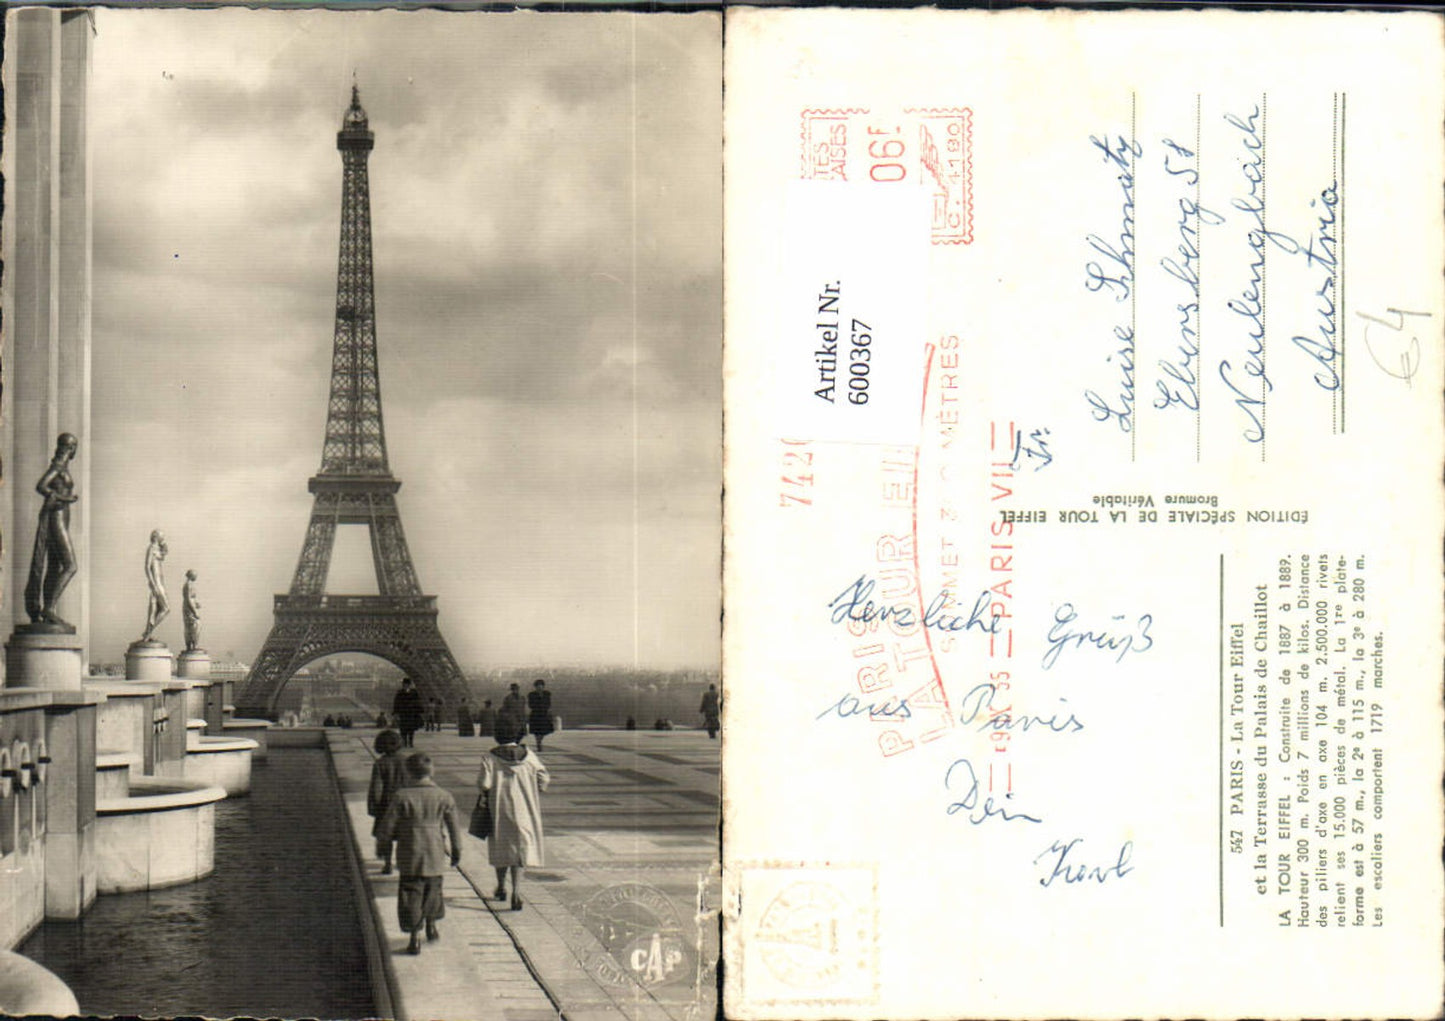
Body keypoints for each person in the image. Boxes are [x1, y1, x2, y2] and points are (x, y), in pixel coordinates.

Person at [376, 752, 462, 955]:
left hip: (410, 850)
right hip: (435, 850)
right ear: (431, 772)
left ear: (408, 773)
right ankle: (431, 925)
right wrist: (457, 850)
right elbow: (454, 828)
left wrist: (383, 844)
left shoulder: (401, 796)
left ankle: (414, 937)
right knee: (433, 888)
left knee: (410, 892)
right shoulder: (444, 796)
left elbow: (387, 827)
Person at [477, 718, 549, 911]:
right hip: (525, 809)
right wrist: (536, 787)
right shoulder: (529, 755)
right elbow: (543, 777)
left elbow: (484, 783)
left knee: (501, 847)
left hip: (499, 808)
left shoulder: (490, 757)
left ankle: (501, 887)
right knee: (520, 851)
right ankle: (517, 891)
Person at [25, 432, 80, 629]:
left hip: (61, 519)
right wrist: (66, 499)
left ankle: (48, 612)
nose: (74, 450)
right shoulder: (58, 467)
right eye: (74, 446)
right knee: (71, 565)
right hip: (55, 518)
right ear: (70, 448)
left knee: (55, 567)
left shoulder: (62, 467)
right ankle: (49, 608)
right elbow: (41, 486)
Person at [367, 729, 407, 874]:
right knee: (404, 834)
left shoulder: (380, 763)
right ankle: (401, 862)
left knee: (387, 835)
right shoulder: (406, 761)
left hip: (386, 803)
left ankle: (388, 863)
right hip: (404, 803)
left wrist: (374, 807)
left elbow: (376, 787)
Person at [141, 530, 170, 642]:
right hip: (156, 583)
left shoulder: (156, 549)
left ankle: (148, 633)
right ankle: (147, 632)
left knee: (155, 608)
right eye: (162, 536)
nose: (163, 538)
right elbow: (147, 567)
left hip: (160, 582)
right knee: (166, 608)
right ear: (156, 537)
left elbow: (163, 555)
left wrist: (163, 546)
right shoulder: (152, 548)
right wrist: (152, 583)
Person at [392, 678, 424, 748]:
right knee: (403, 729)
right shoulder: (400, 693)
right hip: (403, 713)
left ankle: (410, 742)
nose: (405, 686)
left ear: (409, 685)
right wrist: (395, 712)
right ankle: (404, 742)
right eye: (404, 684)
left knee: (411, 729)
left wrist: (419, 711)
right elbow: (396, 703)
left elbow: (418, 702)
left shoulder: (414, 692)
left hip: (411, 714)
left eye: (406, 684)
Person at [527, 679, 554, 752]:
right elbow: (530, 705)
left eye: (541, 686)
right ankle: (538, 743)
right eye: (538, 686)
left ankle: (540, 740)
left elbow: (549, 703)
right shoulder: (531, 695)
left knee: (544, 731)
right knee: (537, 731)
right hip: (536, 714)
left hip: (544, 714)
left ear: (543, 686)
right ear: (535, 687)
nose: (539, 687)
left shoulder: (547, 694)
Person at [182, 569, 202, 651]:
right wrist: (195, 611)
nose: (196, 577)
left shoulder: (188, 585)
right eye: (195, 575)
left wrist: (196, 603)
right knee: (196, 625)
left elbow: (191, 598)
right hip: (189, 609)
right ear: (191, 575)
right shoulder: (189, 585)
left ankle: (190, 645)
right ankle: (194, 645)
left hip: (188, 607)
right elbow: (189, 599)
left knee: (189, 627)